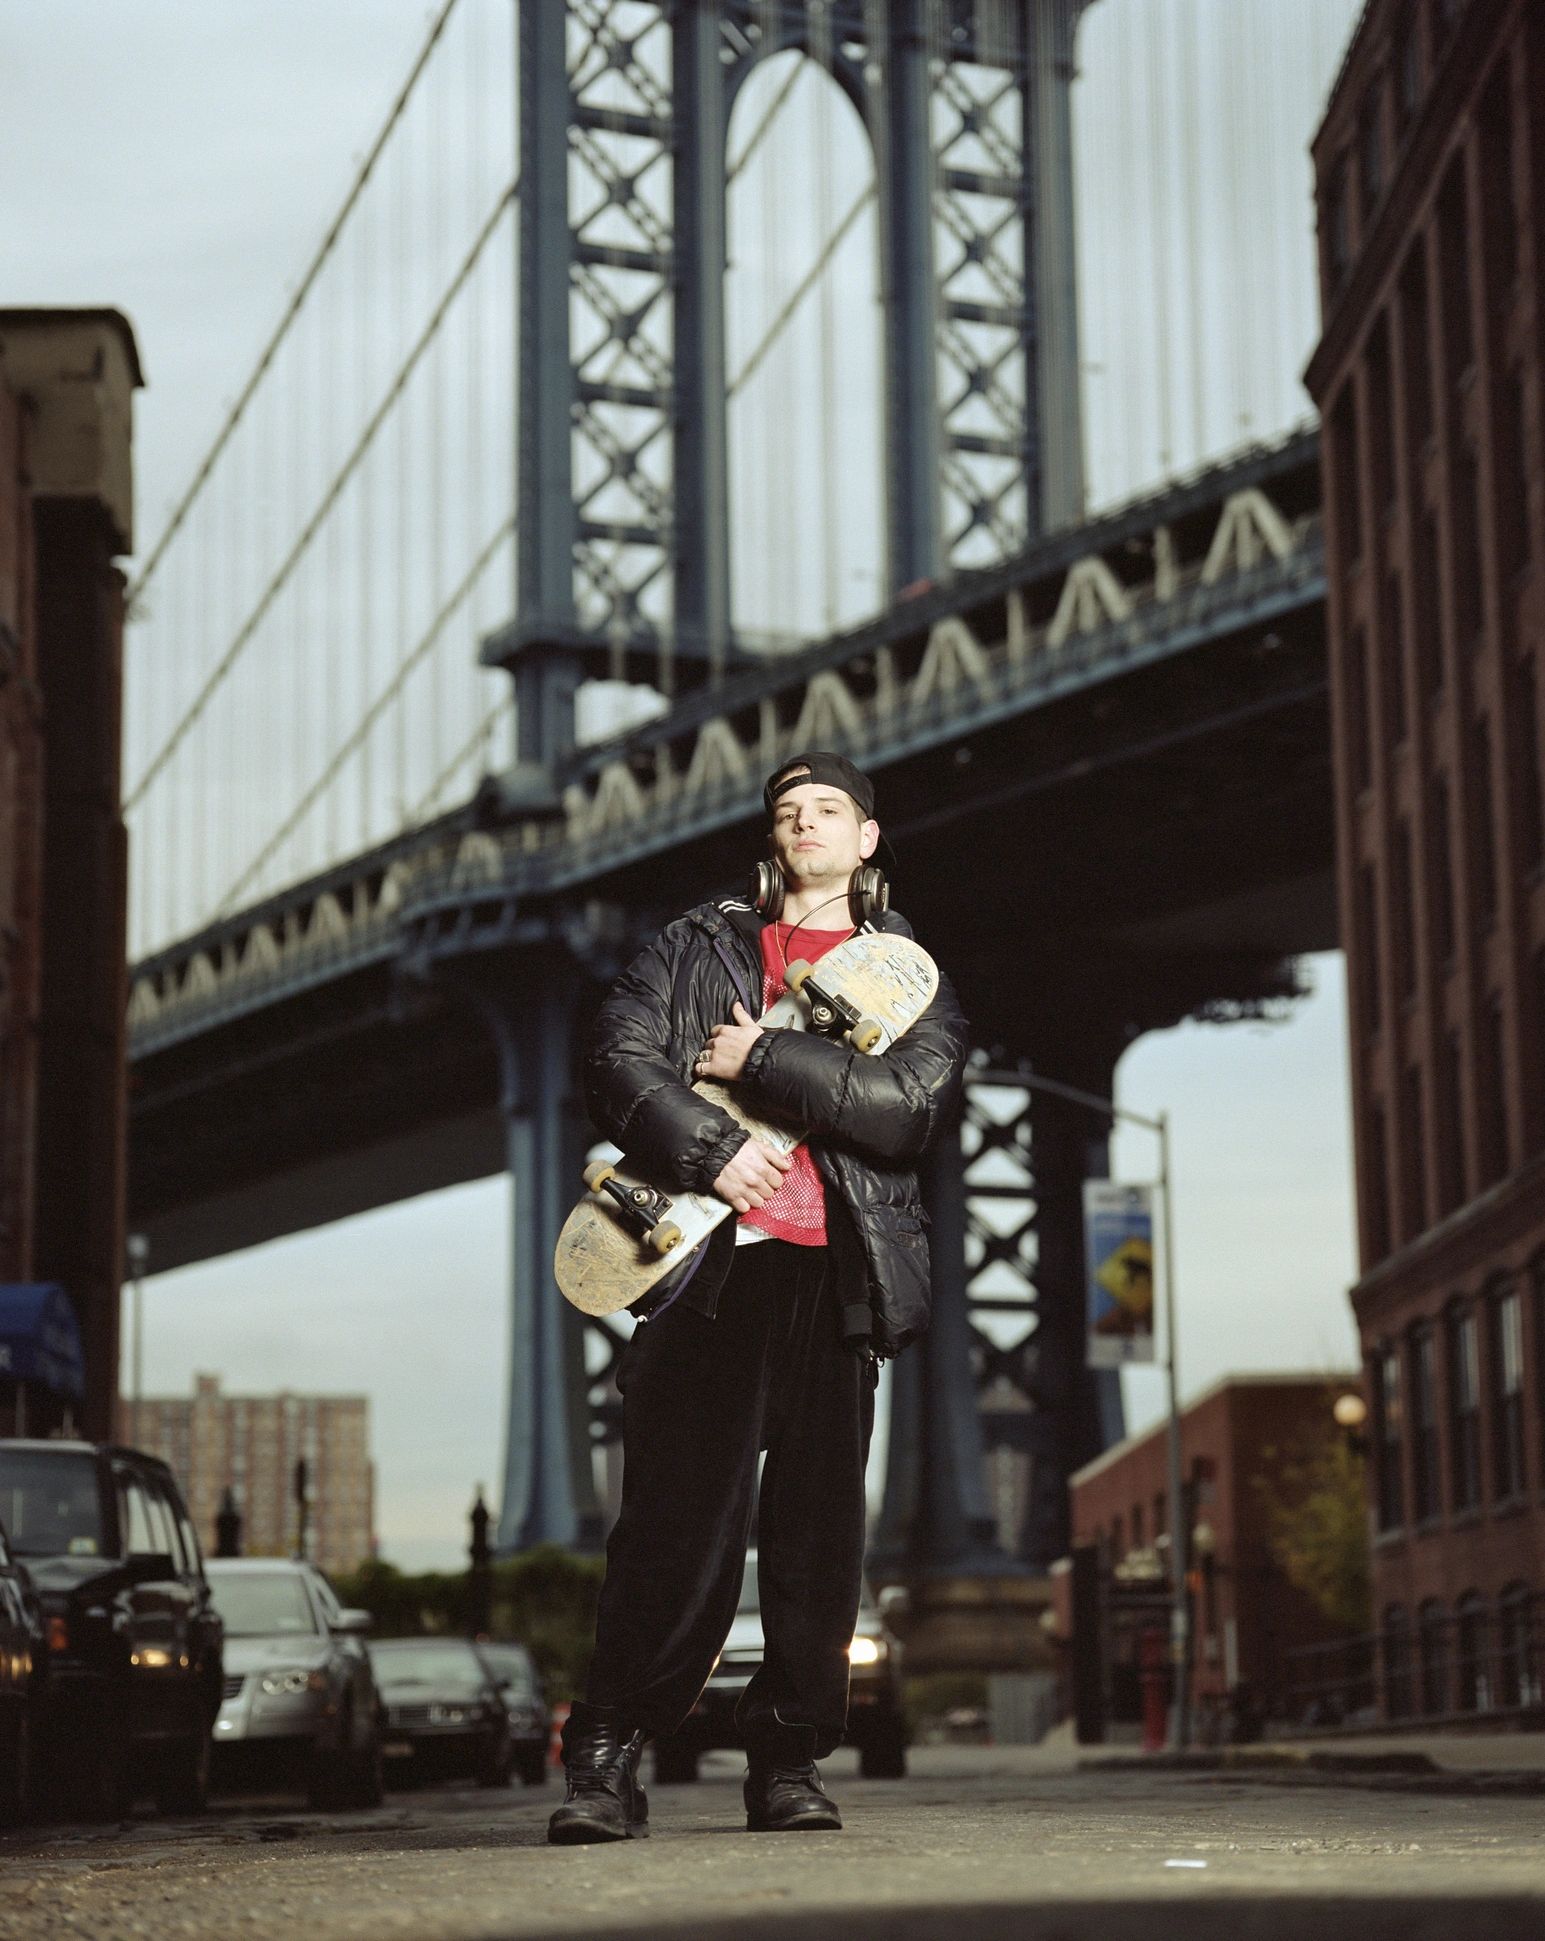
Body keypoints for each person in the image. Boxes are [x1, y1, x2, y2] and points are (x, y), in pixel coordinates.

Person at [548, 751, 967, 1845]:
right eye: (789, 812)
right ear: (771, 835)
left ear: (866, 837)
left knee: (819, 1541)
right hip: (710, 1268)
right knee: (674, 1530)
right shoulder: (692, 947)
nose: (807, 825)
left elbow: (907, 1112)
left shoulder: (908, 970)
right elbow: (616, 1060)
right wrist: (711, 1147)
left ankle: (786, 1761)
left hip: (839, 1274)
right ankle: (606, 1757)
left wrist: (764, 1056)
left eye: (830, 810)